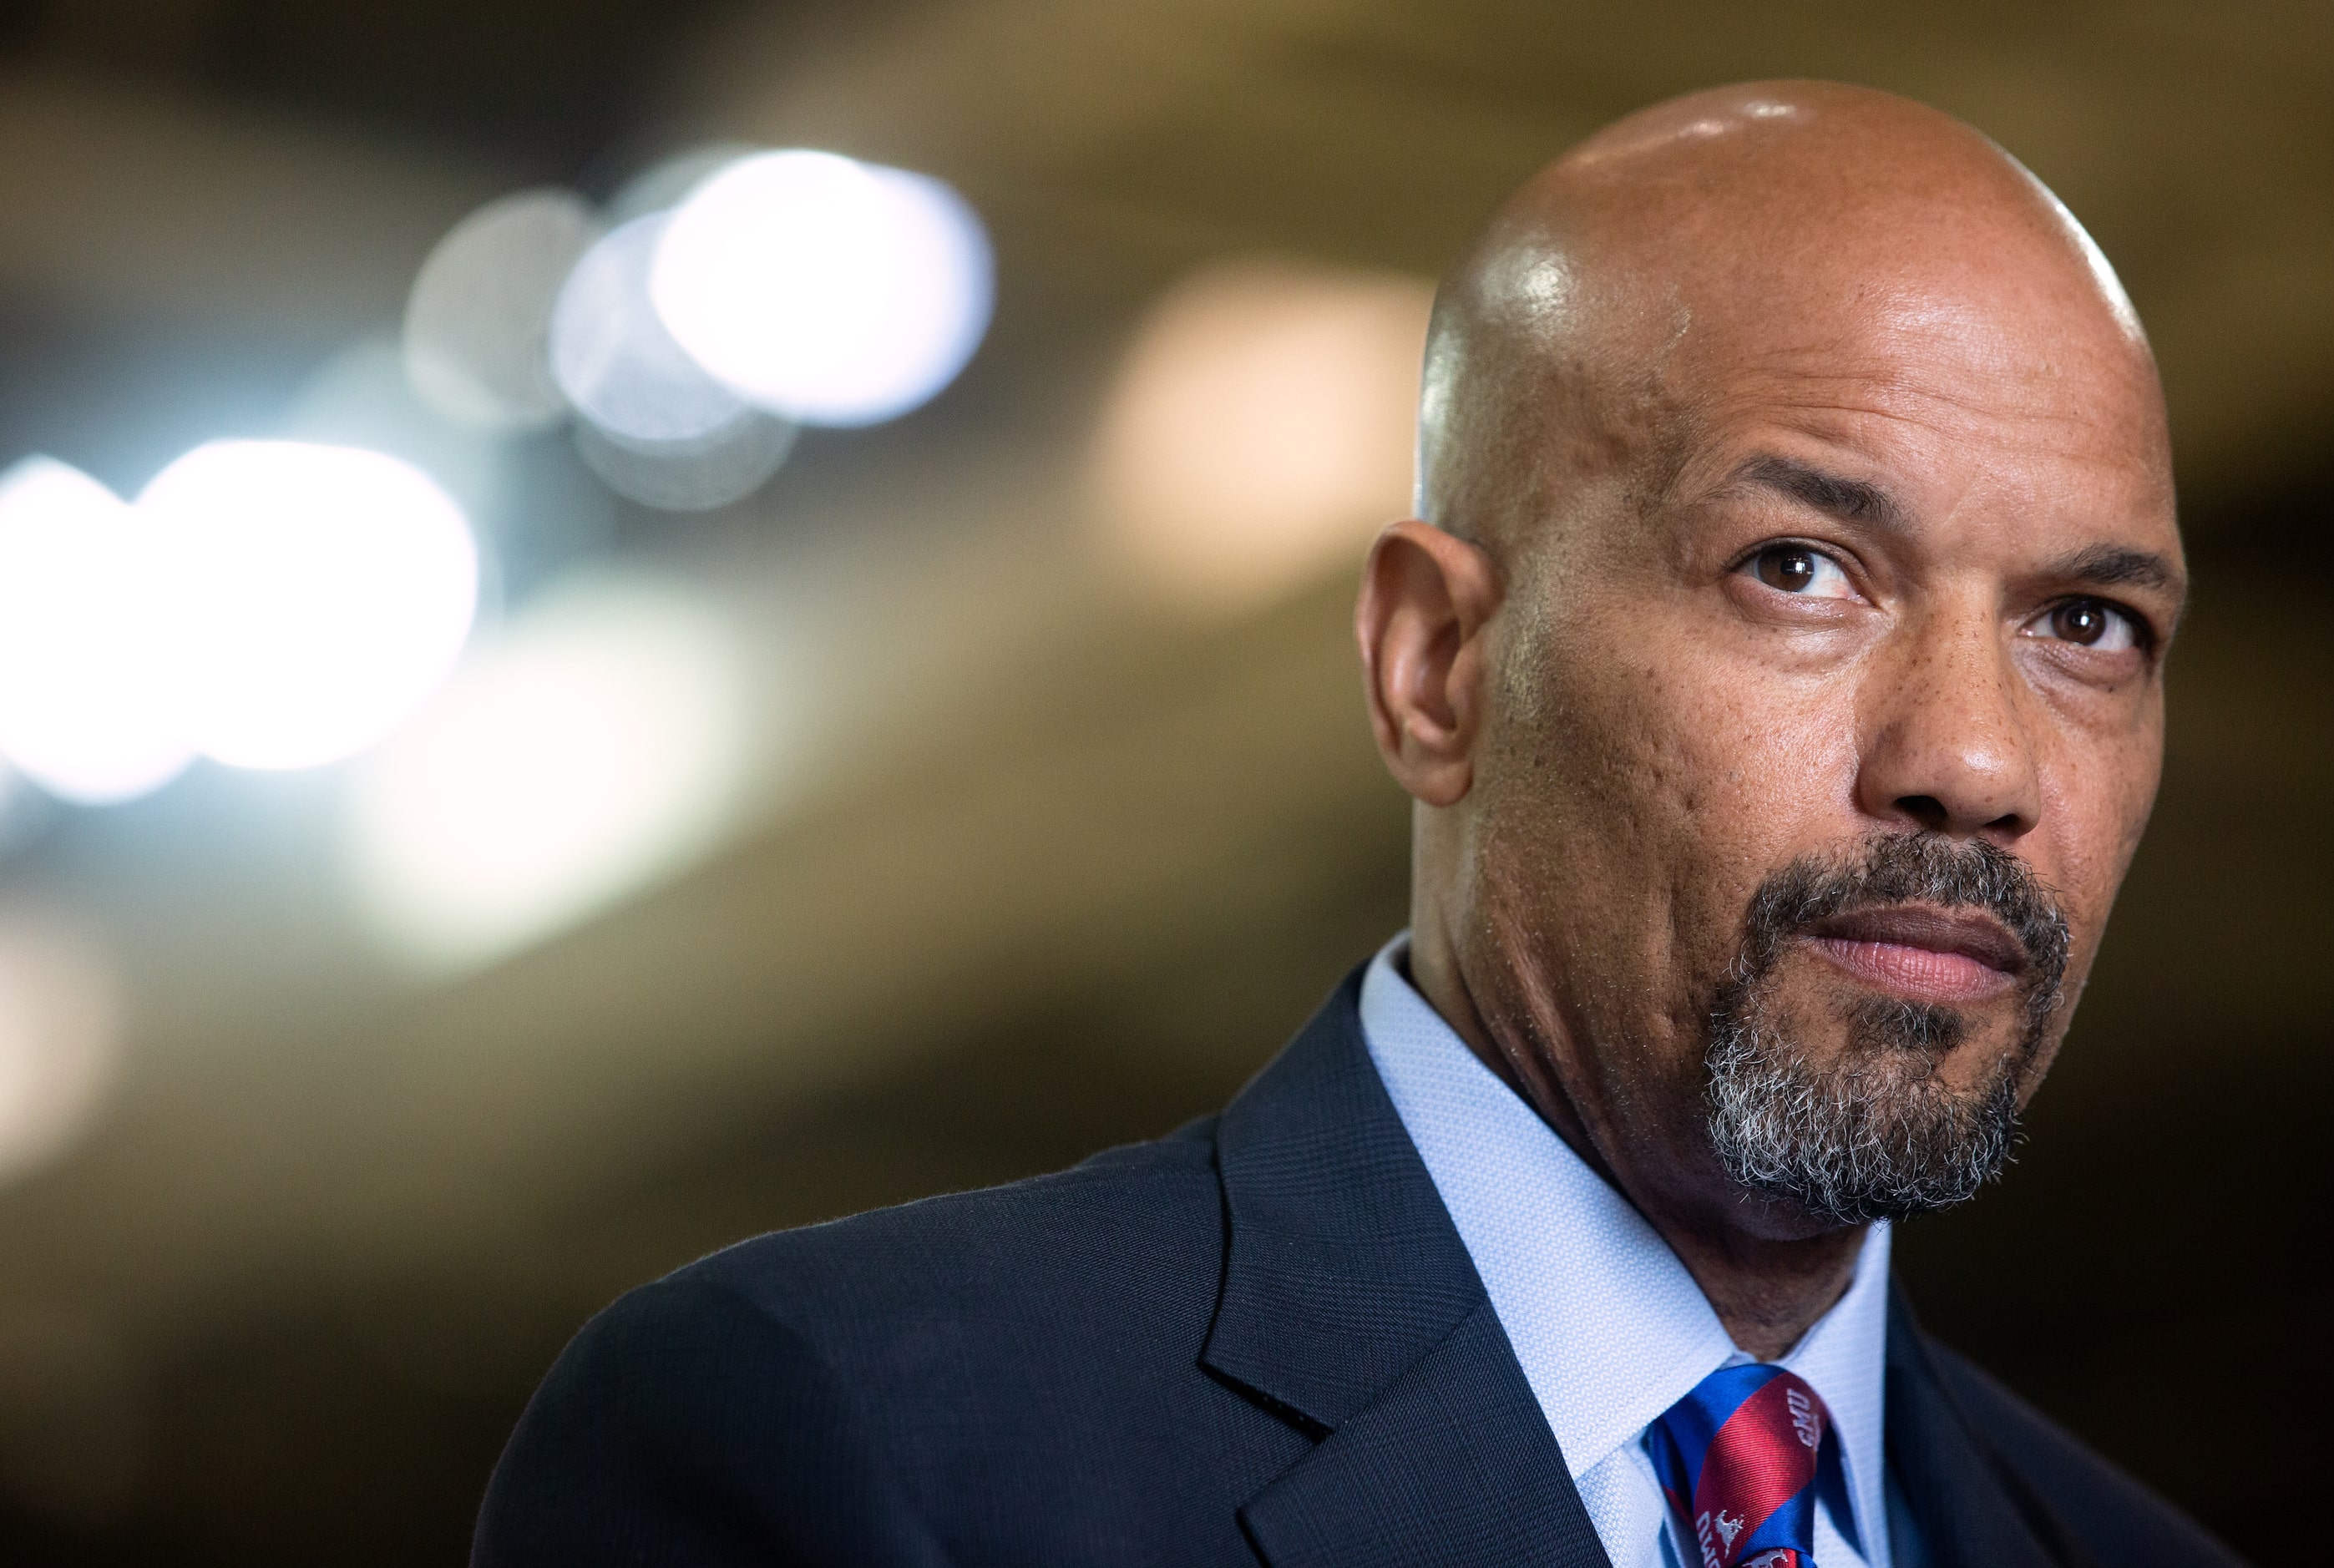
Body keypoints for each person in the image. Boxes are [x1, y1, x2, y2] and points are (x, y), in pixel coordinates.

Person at [473, 82, 2240, 1567]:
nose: (1973, 760)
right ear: (1434, 665)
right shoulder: (851, 1445)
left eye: (2084, 625)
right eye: (1796, 569)